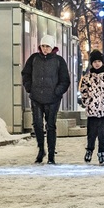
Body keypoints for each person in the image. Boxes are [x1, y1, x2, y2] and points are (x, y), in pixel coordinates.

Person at [21, 34, 70, 164]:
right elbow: (26, 74)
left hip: (53, 98)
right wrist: (29, 87)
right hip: (36, 97)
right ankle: (41, 149)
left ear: (52, 46)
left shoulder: (59, 61)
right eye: (43, 46)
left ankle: (51, 154)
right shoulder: (34, 59)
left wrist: (57, 91)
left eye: (47, 46)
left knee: (50, 126)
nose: (44, 48)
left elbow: (65, 80)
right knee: (37, 124)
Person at [79, 50, 104, 166]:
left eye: (99, 61)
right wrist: (87, 102)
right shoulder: (87, 78)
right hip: (92, 112)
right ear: (91, 63)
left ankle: (102, 153)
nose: (97, 64)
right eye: (95, 61)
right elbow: (83, 91)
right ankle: (89, 150)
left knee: (102, 135)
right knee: (91, 134)